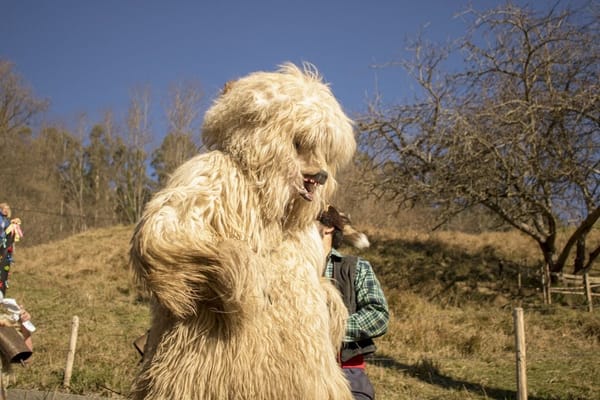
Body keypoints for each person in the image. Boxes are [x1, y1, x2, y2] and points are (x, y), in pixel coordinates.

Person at [318, 205, 389, 400]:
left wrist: (331, 328)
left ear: (328, 228)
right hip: (294, 372)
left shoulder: (355, 267)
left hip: (346, 372)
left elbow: (378, 315)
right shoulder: (289, 267)